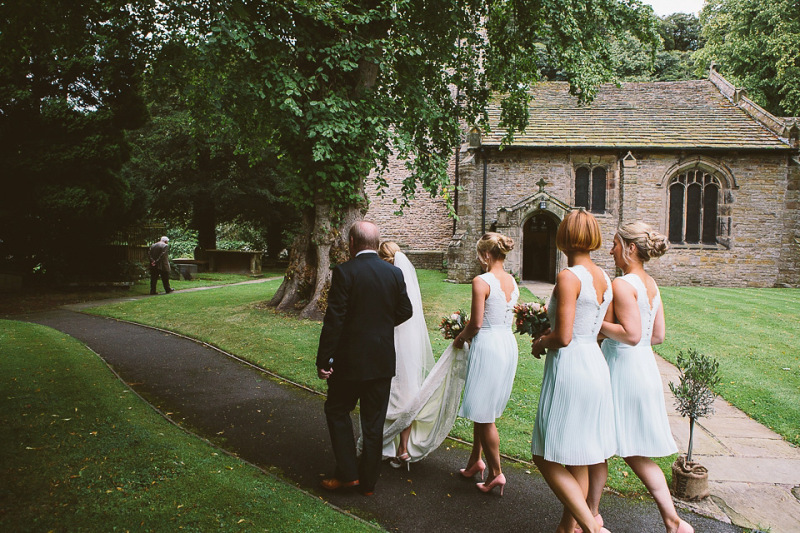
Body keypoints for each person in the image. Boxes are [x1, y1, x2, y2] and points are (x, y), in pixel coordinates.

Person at [585, 222, 693, 533]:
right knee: (633, 451)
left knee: (599, 443)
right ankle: (673, 522)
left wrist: (597, 326)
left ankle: (590, 517)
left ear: (631, 248)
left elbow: (631, 335)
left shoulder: (622, 284)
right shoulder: (651, 284)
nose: (611, 250)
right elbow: (656, 335)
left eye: (616, 244)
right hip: (644, 368)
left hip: (623, 370)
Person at [530, 209, 615, 533]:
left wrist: (540, 343)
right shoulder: (605, 278)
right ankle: (568, 529)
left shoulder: (569, 276)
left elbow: (563, 337)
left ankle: (591, 528)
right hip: (595, 362)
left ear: (563, 237)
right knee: (578, 454)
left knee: (544, 454)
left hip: (571, 367)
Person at [316, 221, 413, 496]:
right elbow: (405, 311)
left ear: (352, 243)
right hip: (381, 361)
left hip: (349, 363)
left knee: (337, 410)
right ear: (375, 242)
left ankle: (348, 475)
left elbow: (334, 320)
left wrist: (324, 360)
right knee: (373, 423)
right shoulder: (393, 273)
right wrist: (381, 326)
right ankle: (368, 484)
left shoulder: (345, 272)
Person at [453, 232, 519, 496]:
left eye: (480, 256)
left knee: (485, 415)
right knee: (485, 409)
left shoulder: (481, 281)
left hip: (489, 345)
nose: (479, 261)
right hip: (507, 345)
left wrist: (460, 337)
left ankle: (496, 473)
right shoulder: (513, 281)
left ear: (487, 255)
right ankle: (474, 462)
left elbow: (477, 323)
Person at [376, 242, 435, 468]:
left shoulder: (386, 277)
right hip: (409, 339)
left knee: (389, 388)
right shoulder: (406, 276)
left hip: (390, 336)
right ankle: (403, 448)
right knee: (408, 389)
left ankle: (385, 444)